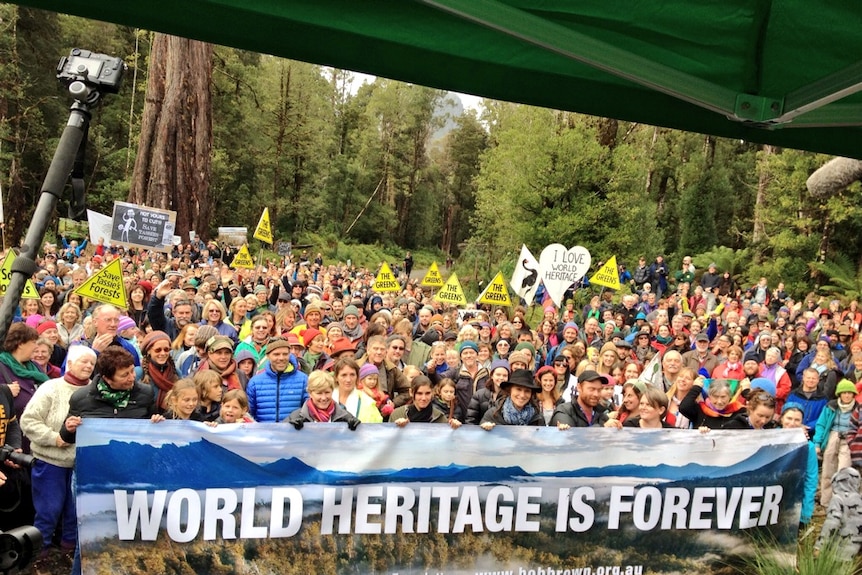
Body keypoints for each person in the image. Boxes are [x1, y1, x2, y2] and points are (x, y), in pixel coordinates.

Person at [19, 346, 95, 564]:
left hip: (82, 463)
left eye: (92, 363)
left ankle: (69, 553)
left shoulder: (96, 392)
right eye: (83, 361)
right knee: (48, 511)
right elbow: (28, 421)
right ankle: (37, 557)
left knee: (75, 512)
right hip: (50, 460)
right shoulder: (50, 388)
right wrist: (55, 438)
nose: (88, 366)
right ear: (69, 364)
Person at [814, 379, 859, 508]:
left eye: (849, 393)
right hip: (832, 436)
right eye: (844, 393)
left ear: (853, 394)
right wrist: (817, 443)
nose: (846, 396)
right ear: (839, 394)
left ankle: (841, 503)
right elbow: (821, 424)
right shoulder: (831, 406)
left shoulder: (858, 408)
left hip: (849, 438)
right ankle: (826, 501)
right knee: (828, 470)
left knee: (844, 471)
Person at [246, 337, 309, 423]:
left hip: (294, 434)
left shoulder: (303, 380)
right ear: (268, 356)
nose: (281, 358)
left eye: (285, 354)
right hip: (263, 434)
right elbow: (249, 415)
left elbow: (309, 411)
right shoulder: (255, 383)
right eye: (276, 354)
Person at [779, 404, 817, 527]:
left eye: (797, 420)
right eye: (789, 418)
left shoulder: (808, 446)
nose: (792, 423)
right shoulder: (768, 438)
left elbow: (811, 478)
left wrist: (805, 514)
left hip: (793, 502)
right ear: (782, 419)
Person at [815, 467, 862, 561]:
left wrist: (819, 546)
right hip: (856, 549)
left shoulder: (838, 499)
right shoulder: (859, 500)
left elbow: (832, 523)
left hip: (838, 549)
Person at [286, 370, 360, 429]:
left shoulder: (345, 416)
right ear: (310, 393)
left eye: (327, 392)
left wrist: (356, 427)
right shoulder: (296, 417)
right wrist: (290, 428)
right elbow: (280, 438)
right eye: (319, 393)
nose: (324, 398)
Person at [679, 379, 745, 430]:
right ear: (709, 396)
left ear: (730, 396)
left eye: (723, 397)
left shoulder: (738, 411)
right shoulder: (700, 410)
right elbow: (684, 407)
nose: (719, 401)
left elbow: (753, 412)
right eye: (715, 397)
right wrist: (696, 388)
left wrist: (746, 392)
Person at [139, 330, 178, 413]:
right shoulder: (139, 373)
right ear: (148, 351)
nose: (163, 353)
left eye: (166, 349)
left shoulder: (176, 373)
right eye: (158, 350)